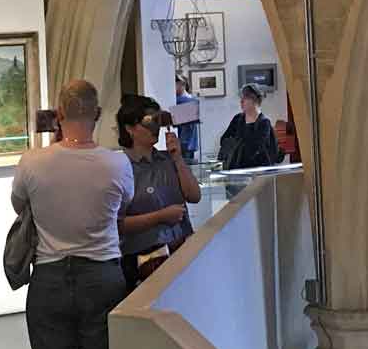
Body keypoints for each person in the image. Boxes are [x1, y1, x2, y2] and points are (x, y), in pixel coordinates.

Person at [12, 80, 133, 349]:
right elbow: (123, 207)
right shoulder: (117, 165)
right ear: (97, 114)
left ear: (58, 115)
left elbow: (19, 205)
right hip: (103, 277)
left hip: (48, 280)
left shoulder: (33, 163)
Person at [116, 95, 201, 291]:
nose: (155, 128)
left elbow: (194, 196)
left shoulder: (167, 160)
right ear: (130, 128)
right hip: (144, 260)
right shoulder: (121, 168)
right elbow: (117, 223)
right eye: (148, 122)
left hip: (180, 249)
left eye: (157, 121)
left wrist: (178, 159)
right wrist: (160, 217)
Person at [218, 83, 284, 169]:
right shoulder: (238, 119)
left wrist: (238, 144)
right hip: (236, 170)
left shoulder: (264, 123)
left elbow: (255, 150)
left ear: (254, 101)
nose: (241, 101)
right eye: (241, 98)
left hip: (257, 172)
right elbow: (223, 140)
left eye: (245, 98)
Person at [175, 74, 199, 162]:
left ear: (182, 84)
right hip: (188, 143)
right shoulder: (192, 99)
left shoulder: (182, 100)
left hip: (185, 144)